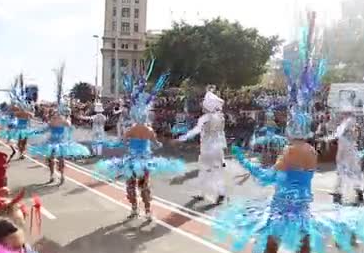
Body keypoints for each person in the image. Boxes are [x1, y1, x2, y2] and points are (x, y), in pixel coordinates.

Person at [212, 24, 364, 253]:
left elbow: (267, 177)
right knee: (304, 252)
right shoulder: (311, 150)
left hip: (283, 207)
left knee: (270, 249)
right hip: (303, 207)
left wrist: (243, 160)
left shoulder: (291, 150)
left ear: (292, 128)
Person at [96, 70, 183, 219]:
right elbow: (156, 145)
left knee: (131, 185)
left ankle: (134, 209)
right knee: (144, 186)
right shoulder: (149, 130)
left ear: (134, 115)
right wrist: (157, 144)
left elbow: (121, 142)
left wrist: (114, 143)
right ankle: (148, 211)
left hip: (131, 161)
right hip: (144, 161)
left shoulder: (130, 130)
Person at [29, 64, 90, 184]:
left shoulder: (56, 120)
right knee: (55, 159)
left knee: (54, 159)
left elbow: (50, 128)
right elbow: (69, 128)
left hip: (55, 141)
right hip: (59, 141)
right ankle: (58, 175)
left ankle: (56, 175)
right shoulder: (61, 120)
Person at [179, 86, 228, 204]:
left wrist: (182, 138)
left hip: (207, 148)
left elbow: (195, 131)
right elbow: (221, 134)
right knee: (217, 171)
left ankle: (203, 193)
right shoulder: (221, 117)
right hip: (217, 148)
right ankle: (220, 193)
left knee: (204, 171)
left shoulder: (205, 118)